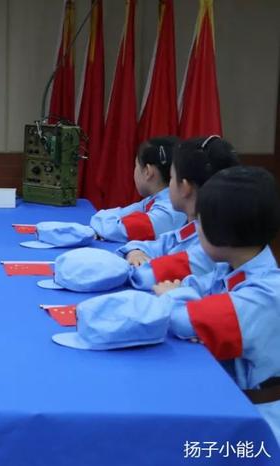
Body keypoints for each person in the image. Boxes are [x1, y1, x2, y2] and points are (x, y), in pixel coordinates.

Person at [154, 166, 280, 443]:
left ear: (218, 230)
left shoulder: (264, 293)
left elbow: (183, 319)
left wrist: (171, 296)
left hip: (260, 422)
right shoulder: (233, 268)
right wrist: (182, 293)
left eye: (199, 221)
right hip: (235, 401)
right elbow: (196, 286)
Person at [118, 136, 239, 289]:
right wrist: (134, 251)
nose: (169, 186)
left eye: (172, 178)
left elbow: (144, 277)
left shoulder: (212, 243)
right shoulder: (196, 226)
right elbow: (159, 244)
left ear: (185, 187)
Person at [90, 136, 186, 242]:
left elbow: (114, 229)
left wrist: (98, 218)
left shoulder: (167, 212)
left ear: (148, 171)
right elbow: (122, 213)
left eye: (136, 165)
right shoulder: (156, 198)